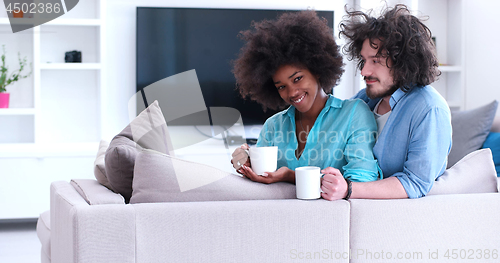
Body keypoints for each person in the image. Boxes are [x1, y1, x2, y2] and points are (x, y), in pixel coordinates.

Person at [230, 10, 381, 199]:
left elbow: (361, 181)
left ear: (317, 70)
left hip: (333, 220)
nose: (292, 92)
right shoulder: (273, 125)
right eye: (281, 86)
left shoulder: (353, 114)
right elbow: (260, 179)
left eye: (298, 78)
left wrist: (290, 176)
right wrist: (246, 160)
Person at [320, 4, 452, 200]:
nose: (364, 71)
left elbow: (415, 183)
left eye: (376, 61)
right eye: (364, 61)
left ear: (403, 63)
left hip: (394, 219)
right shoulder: (365, 99)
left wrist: (348, 189)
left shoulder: (430, 109)